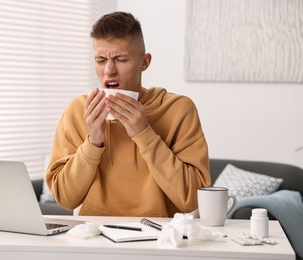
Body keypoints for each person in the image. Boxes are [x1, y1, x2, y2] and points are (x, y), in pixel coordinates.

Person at [46, 11, 210, 217]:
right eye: (100, 60)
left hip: (160, 238)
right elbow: (65, 198)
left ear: (144, 62)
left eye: (120, 59)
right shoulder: (78, 111)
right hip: (95, 237)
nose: (109, 70)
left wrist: (145, 134)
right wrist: (93, 140)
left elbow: (193, 200)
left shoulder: (179, 110)